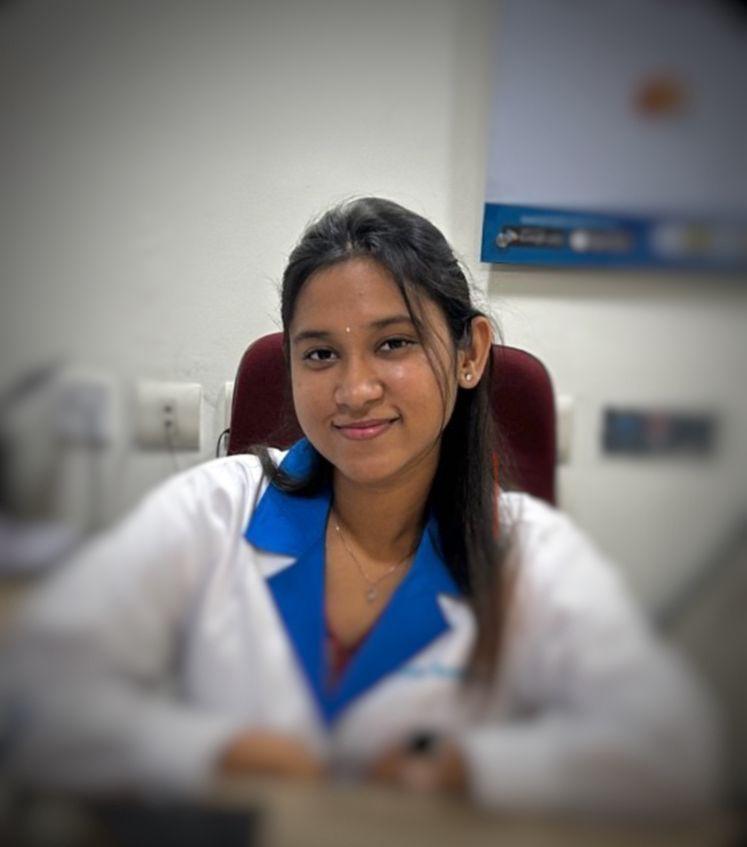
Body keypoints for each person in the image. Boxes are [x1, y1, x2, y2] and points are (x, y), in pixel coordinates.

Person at [1, 198, 720, 816]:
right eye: (319, 354)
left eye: (394, 343)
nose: (354, 389)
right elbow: (30, 693)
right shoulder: (213, 509)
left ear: (469, 353)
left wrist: (471, 768)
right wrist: (210, 751)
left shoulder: (527, 551)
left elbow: (679, 749)